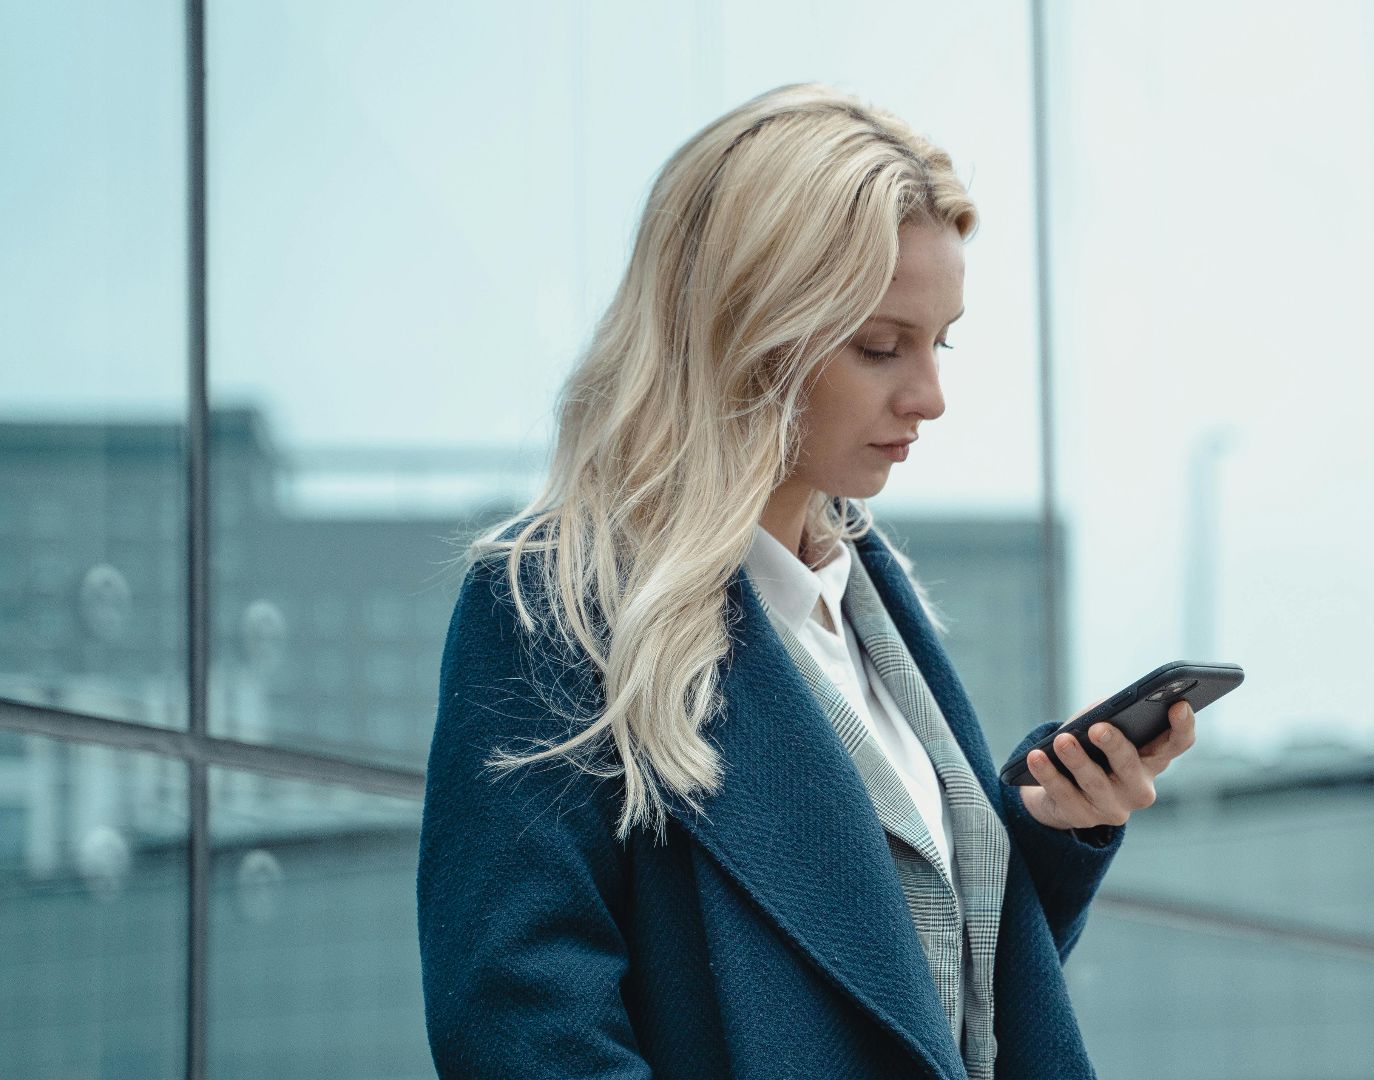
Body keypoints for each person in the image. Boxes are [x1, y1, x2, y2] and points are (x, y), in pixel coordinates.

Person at [416, 81, 1198, 1080]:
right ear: (747, 332)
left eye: (940, 340)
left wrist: (1049, 835)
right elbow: (523, 1030)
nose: (930, 396)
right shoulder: (557, 608)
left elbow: (926, 1010)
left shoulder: (865, 594)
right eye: (881, 347)